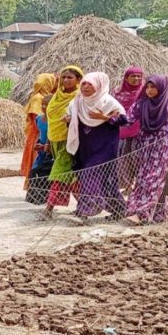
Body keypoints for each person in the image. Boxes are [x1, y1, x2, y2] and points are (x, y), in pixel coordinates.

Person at [124, 74, 168, 225]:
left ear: (162, 87)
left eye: (154, 87)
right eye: (147, 87)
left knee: (152, 179)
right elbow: (128, 120)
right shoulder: (141, 104)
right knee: (142, 178)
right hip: (144, 145)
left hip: (162, 146)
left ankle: (142, 213)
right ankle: (159, 214)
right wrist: (109, 118)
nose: (150, 90)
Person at [65, 72, 127, 222]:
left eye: (89, 84)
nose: (85, 87)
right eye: (84, 84)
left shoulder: (108, 102)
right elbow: (73, 122)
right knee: (107, 181)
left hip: (105, 148)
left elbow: (124, 120)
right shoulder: (77, 102)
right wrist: (68, 120)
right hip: (85, 149)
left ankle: (85, 211)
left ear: (99, 86)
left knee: (89, 174)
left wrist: (104, 117)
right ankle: (120, 210)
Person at [41, 65, 82, 219]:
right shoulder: (56, 96)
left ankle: (48, 209)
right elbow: (50, 120)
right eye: (63, 77)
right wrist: (47, 141)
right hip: (55, 140)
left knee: (58, 173)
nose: (66, 80)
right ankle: (85, 206)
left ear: (78, 79)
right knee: (70, 176)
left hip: (70, 140)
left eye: (70, 77)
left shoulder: (79, 97)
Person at [21, 73, 57, 188]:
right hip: (38, 135)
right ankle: (34, 186)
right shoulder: (38, 98)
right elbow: (38, 119)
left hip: (43, 136)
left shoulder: (47, 97)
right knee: (37, 162)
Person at [112, 66, 144, 192]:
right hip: (122, 129)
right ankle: (128, 185)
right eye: (133, 76)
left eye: (139, 76)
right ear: (126, 78)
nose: (136, 79)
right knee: (123, 158)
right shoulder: (117, 92)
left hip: (140, 130)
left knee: (138, 158)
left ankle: (139, 185)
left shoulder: (145, 91)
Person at [25, 96, 54, 206]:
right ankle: (34, 196)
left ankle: (45, 197)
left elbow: (52, 135)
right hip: (41, 150)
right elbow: (40, 134)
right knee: (34, 171)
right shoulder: (39, 119)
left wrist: (46, 145)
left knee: (45, 173)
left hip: (50, 150)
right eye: (42, 104)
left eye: (47, 104)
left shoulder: (54, 120)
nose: (44, 107)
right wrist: (38, 144)